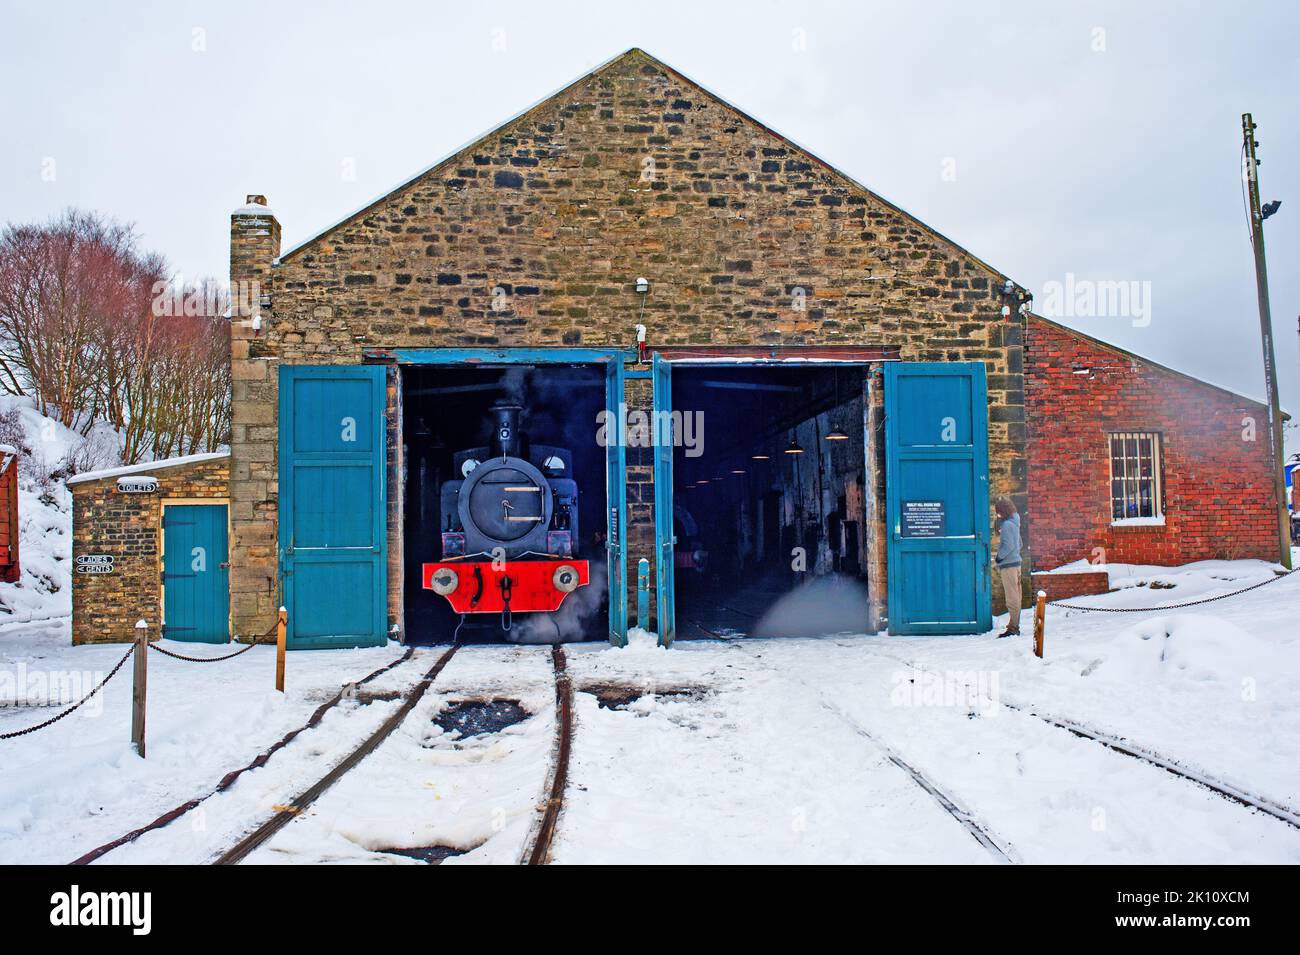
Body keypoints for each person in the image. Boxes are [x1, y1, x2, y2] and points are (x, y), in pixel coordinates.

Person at [994, 498, 1022, 638]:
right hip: (1016, 564)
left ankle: (1013, 628)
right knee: (1017, 596)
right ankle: (1013, 625)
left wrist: (999, 557)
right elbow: (1019, 544)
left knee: (1011, 598)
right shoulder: (1015, 523)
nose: (997, 515)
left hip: (1008, 566)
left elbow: (1008, 545)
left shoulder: (1006, 525)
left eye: (998, 512)